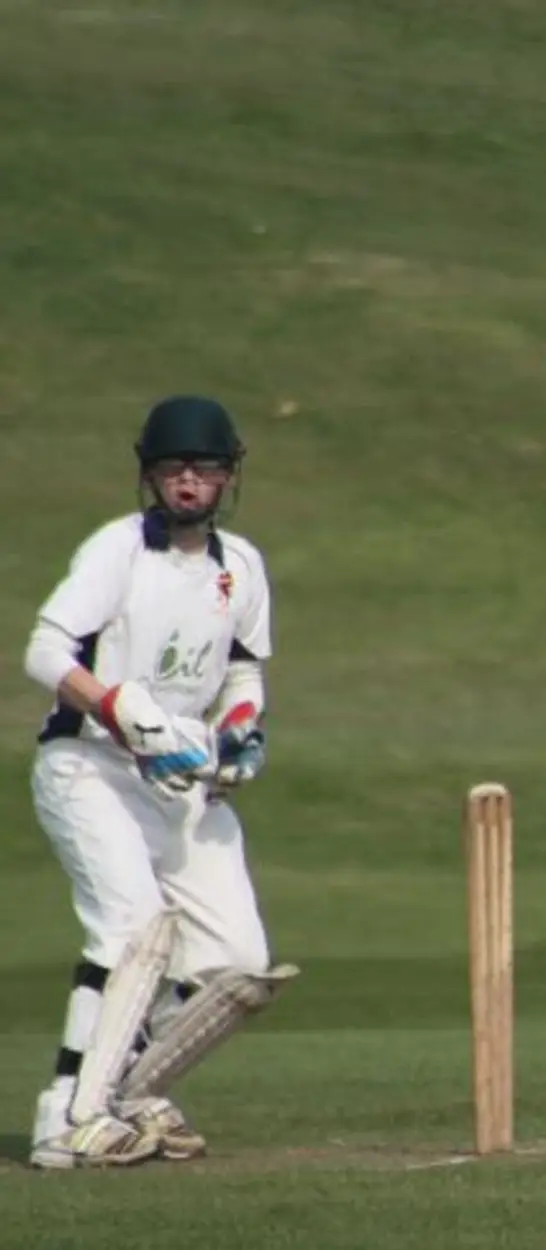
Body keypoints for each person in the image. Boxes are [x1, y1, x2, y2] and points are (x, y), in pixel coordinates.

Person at [24, 395, 295, 1169]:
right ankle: (66, 1118)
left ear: (227, 477)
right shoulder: (118, 551)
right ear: (149, 474)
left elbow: (244, 666)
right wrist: (116, 709)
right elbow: (45, 652)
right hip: (90, 767)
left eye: (205, 468)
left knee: (236, 964)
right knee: (133, 928)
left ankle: (132, 1093)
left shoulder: (240, 565)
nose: (188, 481)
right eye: (173, 467)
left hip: (183, 783)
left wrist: (242, 727)